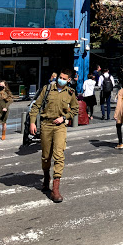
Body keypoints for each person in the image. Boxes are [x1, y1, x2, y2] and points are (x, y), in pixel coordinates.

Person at [29, 68, 78, 203]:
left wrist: (65, 118)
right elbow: (36, 106)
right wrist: (32, 122)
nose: (60, 79)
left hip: (60, 127)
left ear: (68, 80)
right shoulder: (47, 89)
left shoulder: (70, 92)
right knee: (46, 156)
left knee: (59, 155)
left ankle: (55, 189)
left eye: (63, 78)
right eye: (59, 77)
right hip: (46, 125)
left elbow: (75, 109)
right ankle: (46, 177)